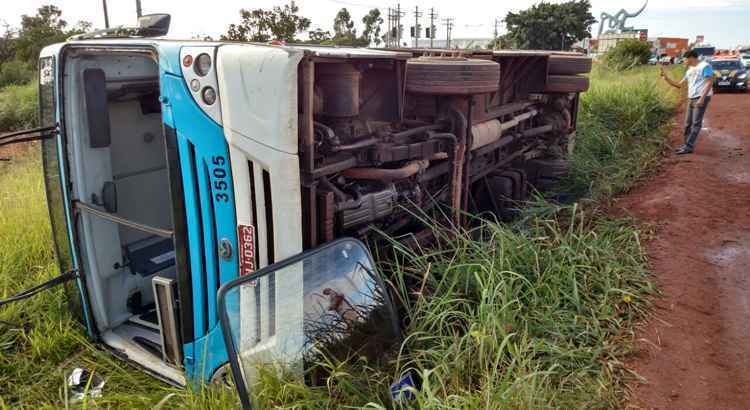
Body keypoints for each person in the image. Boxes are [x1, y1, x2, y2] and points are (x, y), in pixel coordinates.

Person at [660, 50, 714, 155]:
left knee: (696, 123)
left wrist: (702, 99)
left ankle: (689, 146)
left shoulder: (705, 66)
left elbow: (709, 82)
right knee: (687, 124)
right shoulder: (689, 70)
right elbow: (680, 85)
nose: (683, 61)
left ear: (691, 58)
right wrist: (666, 79)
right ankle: (686, 145)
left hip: (701, 96)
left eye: (684, 59)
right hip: (692, 97)